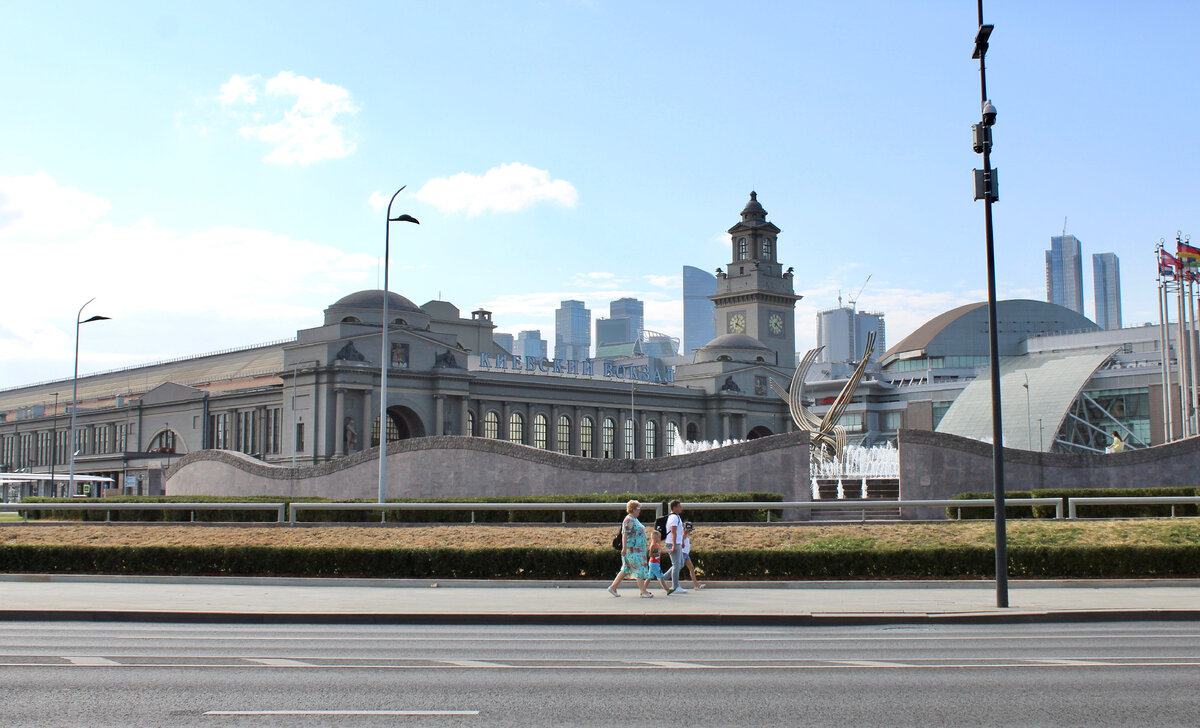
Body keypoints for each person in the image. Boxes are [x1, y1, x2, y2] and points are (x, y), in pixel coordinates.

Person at [607, 500, 653, 598]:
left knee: (626, 569)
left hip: (637, 550)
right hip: (632, 550)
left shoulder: (634, 519)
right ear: (633, 509)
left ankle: (613, 587)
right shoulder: (629, 520)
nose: (639, 511)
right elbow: (625, 534)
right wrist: (624, 548)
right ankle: (643, 591)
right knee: (639, 569)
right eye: (638, 509)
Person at [663, 499, 689, 594]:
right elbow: (673, 532)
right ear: (674, 508)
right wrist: (674, 545)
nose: (681, 508)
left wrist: (681, 541)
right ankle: (675, 586)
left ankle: (663, 577)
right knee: (676, 565)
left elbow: (678, 532)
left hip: (676, 543)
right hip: (672, 543)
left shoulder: (676, 517)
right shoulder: (673, 517)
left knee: (680, 563)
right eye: (679, 506)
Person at [681, 521, 705, 590]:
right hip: (683, 554)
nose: (690, 531)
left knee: (691, 568)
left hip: (686, 555)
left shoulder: (686, 535)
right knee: (676, 569)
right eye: (690, 530)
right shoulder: (684, 534)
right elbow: (682, 537)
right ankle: (667, 579)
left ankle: (696, 585)